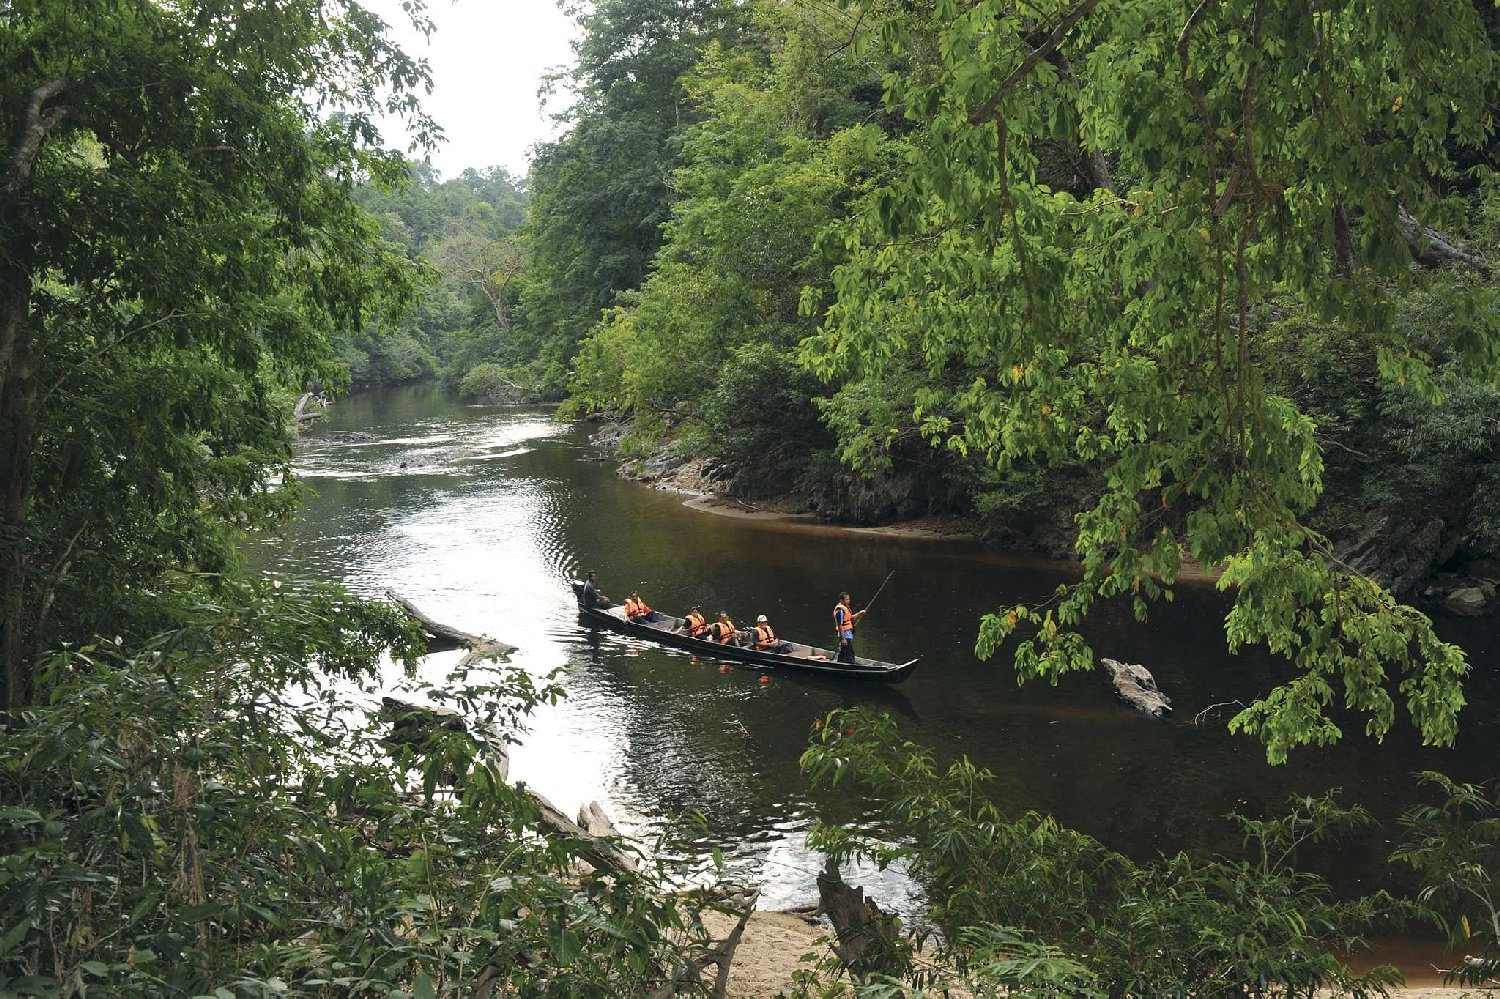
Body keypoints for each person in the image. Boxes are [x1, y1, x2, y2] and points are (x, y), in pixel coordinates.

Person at [833, 591, 867, 663]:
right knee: (850, 654)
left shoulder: (846, 609)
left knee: (843, 653)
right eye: (846, 599)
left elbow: (851, 619)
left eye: (849, 599)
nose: (848, 601)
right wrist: (843, 639)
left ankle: (839, 663)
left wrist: (859, 614)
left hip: (848, 635)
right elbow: (840, 625)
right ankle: (850, 665)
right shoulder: (840, 611)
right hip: (844, 635)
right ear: (841, 600)